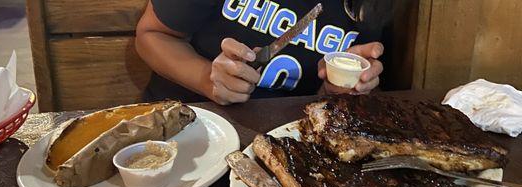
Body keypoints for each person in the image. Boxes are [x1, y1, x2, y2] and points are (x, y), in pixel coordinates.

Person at [136, 0, 387, 105]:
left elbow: (338, 96)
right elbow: (152, 36)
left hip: (296, 143)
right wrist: (207, 79)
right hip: (192, 122)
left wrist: (338, 91)